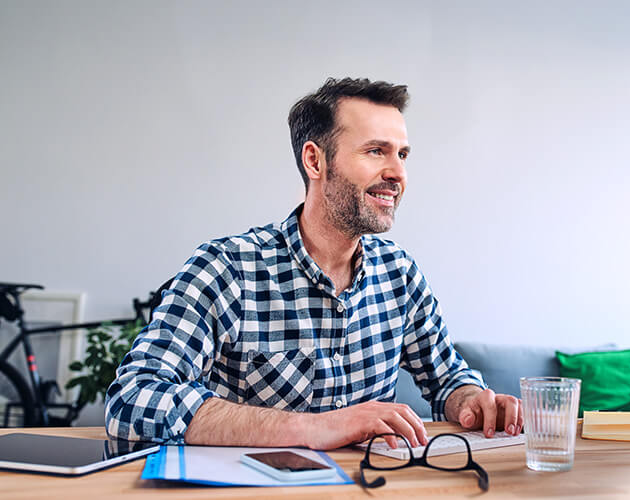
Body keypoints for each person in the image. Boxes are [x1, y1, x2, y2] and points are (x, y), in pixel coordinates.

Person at [105, 77, 523, 449]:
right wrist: (314, 428)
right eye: (376, 151)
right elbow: (133, 398)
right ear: (315, 161)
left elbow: (447, 376)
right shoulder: (227, 269)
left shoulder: (401, 276)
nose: (398, 173)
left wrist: (473, 401)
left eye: (403, 154)